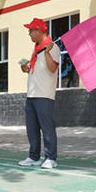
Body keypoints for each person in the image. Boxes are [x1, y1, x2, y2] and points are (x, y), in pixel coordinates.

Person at [17, 18, 61, 169]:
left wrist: (48, 53)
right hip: (32, 94)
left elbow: (53, 68)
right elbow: (38, 70)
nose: (29, 34)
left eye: (31, 31)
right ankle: (34, 157)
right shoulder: (36, 48)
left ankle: (51, 158)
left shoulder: (51, 47)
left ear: (39, 31)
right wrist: (26, 69)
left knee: (47, 128)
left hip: (44, 94)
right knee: (32, 129)